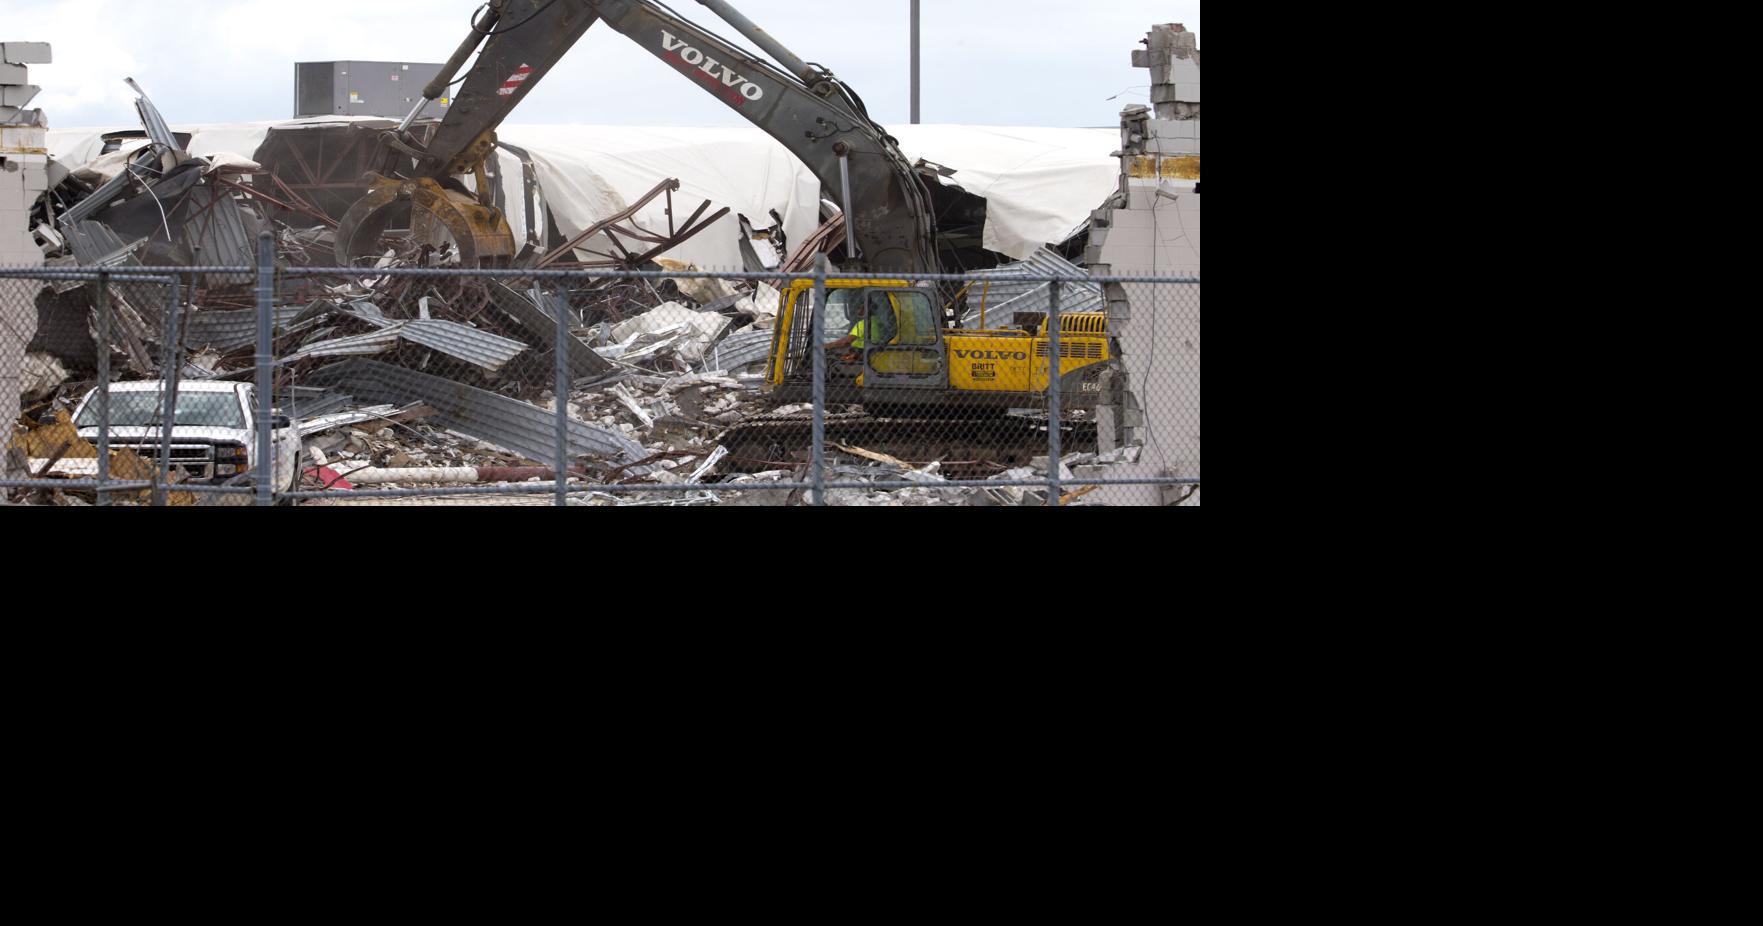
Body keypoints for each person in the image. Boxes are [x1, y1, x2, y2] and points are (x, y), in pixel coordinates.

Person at [823, 292, 899, 357]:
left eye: (860, 307)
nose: (857, 310)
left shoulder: (862, 324)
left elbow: (845, 342)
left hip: (859, 354)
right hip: (872, 353)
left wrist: (826, 346)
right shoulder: (878, 322)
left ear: (865, 309)